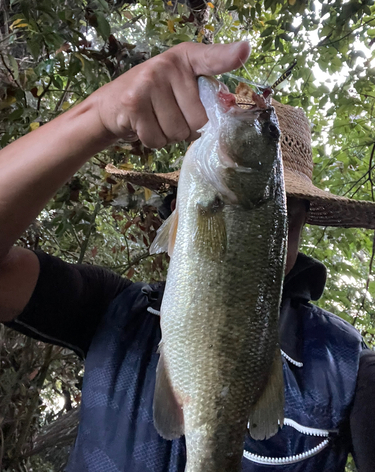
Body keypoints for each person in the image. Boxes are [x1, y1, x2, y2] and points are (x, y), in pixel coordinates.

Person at [0, 41, 374, 472]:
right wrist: (98, 117)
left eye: (285, 220)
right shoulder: (114, 312)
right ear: (176, 210)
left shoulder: (351, 367)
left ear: (299, 229)